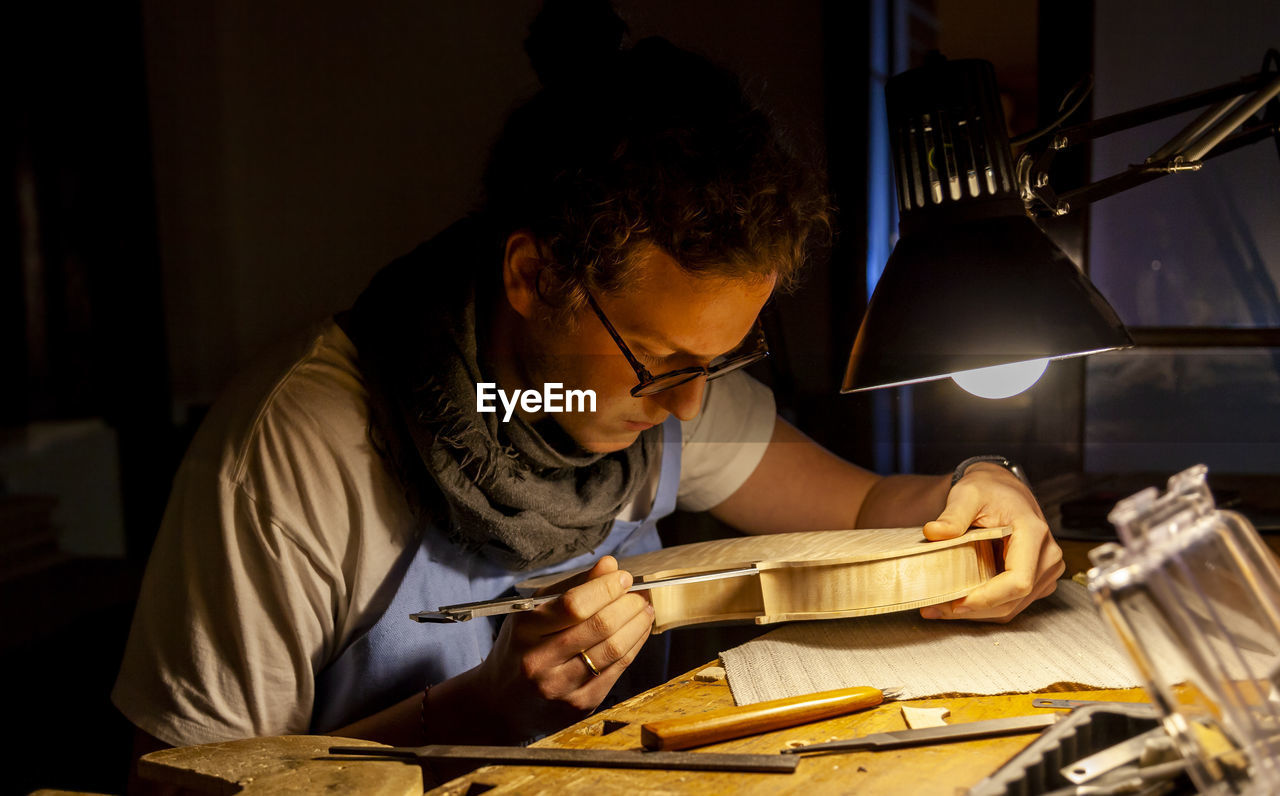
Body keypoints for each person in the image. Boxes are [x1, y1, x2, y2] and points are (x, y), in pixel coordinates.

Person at [113, 0, 1062, 766]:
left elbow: (866, 510)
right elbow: (185, 786)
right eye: (663, 365)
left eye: (720, 361)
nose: (690, 408)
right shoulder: (301, 452)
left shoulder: (656, 393)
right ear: (532, 277)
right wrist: (481, 709)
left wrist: (977, 489)